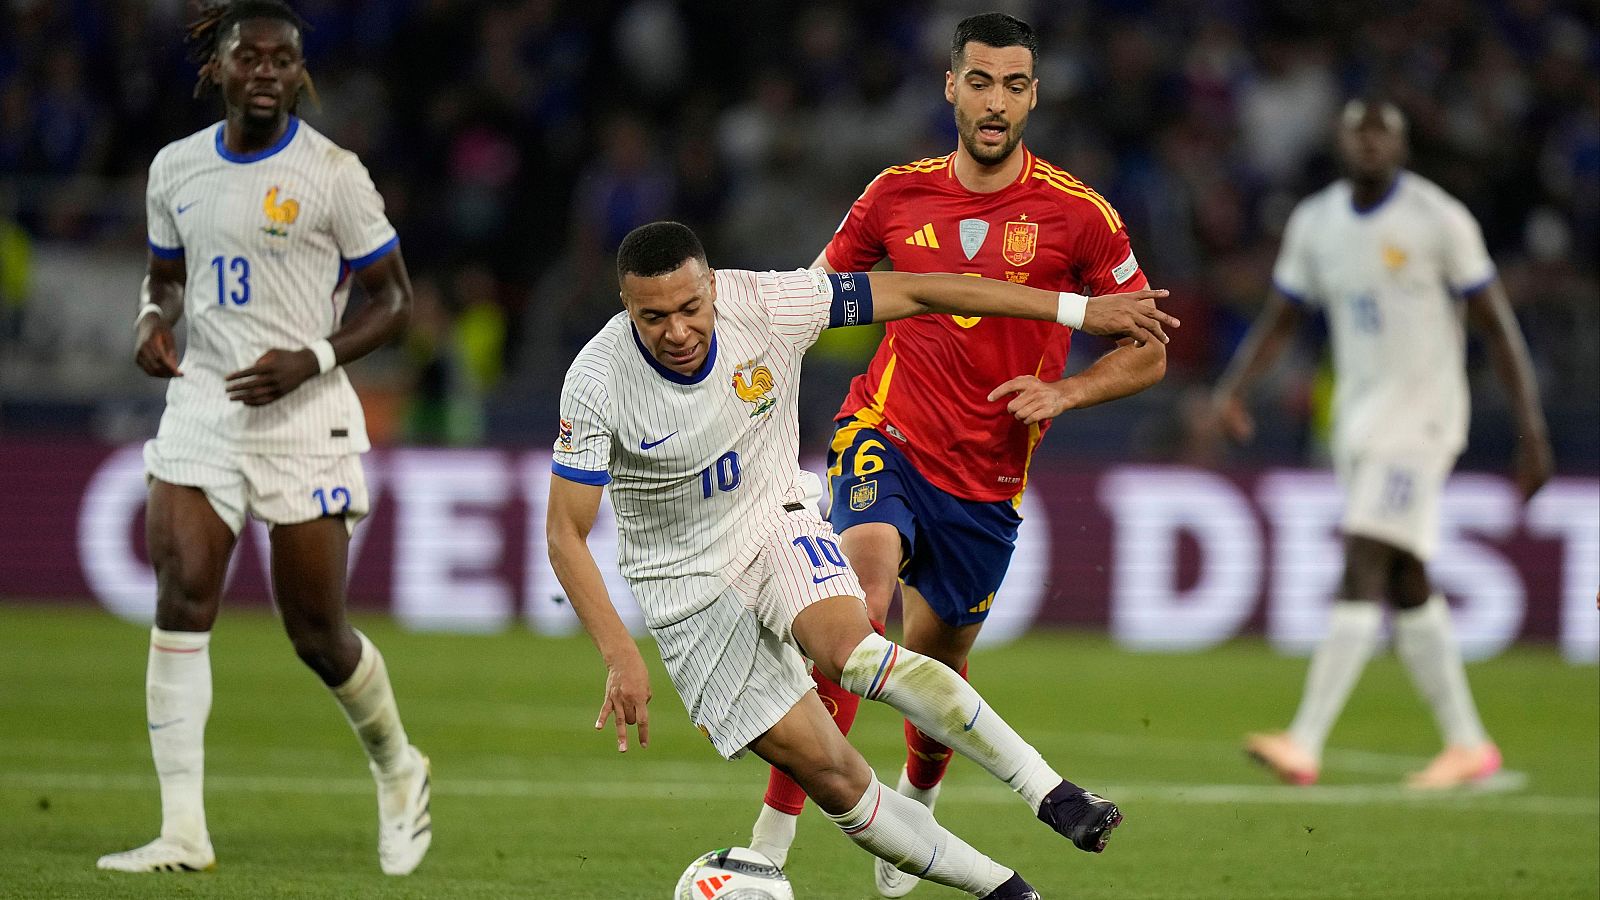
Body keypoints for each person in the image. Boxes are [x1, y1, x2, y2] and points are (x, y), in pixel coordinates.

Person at [548, 221, 1176, 900]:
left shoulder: (769, 303)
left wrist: (1079, 311)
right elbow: (565, 533)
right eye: (653, 317)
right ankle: (1010, 892)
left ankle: (1051, 792)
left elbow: (921, 290)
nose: (676, 331)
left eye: (690, 308)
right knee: (839, 779)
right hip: (687, 592)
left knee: (854, 648)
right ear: (625, 306)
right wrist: (620, 652)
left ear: (712, 287)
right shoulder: (596, 381)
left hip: (775, 523)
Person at [746, 14, 1167, 895]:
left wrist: (1067, 393)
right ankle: (765, 854)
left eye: (1014, 85)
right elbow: (818, 297)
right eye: (980, 81)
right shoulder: (895, 195)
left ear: (1034, 96)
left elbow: (1149, 347)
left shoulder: (1079, 216)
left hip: (987, 485)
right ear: (950, 86)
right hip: (883, 436)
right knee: (854, 619)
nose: (995, 101)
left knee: (936, 663)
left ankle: (918, 804)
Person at [98, 1, 431, 875]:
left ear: (299, 72)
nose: (268, 73)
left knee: (318, 633)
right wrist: (147, 320)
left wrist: (313, 356)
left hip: (303, 414)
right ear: (218, 66)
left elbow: (396, 303)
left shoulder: (334, 174)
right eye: (252, 58)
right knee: (183, 594)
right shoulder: (176, 169)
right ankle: (182, 833)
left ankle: (400, 767)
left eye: (284, 60)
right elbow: (164, 277)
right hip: (205, 403)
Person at [1212, 99, 1554, 789]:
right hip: (1359, 422)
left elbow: (1496, 325)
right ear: (1339, 142)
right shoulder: (1315, 222)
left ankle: (1304, 741)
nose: (1370, 143)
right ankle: (1467, 745)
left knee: (1364, 555)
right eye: (1358, 132)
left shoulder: (1439, 219)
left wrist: (1533, 428)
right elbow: (1282, 315)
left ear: (1402, 144)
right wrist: (1234, 389)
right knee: (1405, 578)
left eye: (1384, 133)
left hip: (1424, 418)